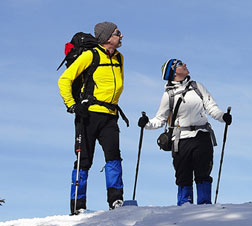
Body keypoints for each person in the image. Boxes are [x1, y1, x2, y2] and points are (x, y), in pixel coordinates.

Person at [139, 59, 232, 205]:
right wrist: (146, 124)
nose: (185, 65)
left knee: (203, 173)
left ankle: (205, 206)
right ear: (174, 72)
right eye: (181, 64)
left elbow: (211, 107)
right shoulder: (169, 95)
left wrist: (222, 117)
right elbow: (160, 119)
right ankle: (184, 208)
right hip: (180, 140)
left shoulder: (197, 86)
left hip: (202, 136)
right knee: (183, 176)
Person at [58, 21, 127, 214]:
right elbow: (64, 79)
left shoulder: (120, 58)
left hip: (110, 115)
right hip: (88, 115)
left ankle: (116, 200)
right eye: (117, 33)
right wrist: (72, 105)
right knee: (84, 159)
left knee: (114, 156)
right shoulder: (91, 55)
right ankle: (78, 205)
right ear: (107, 37)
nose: (121, 36)